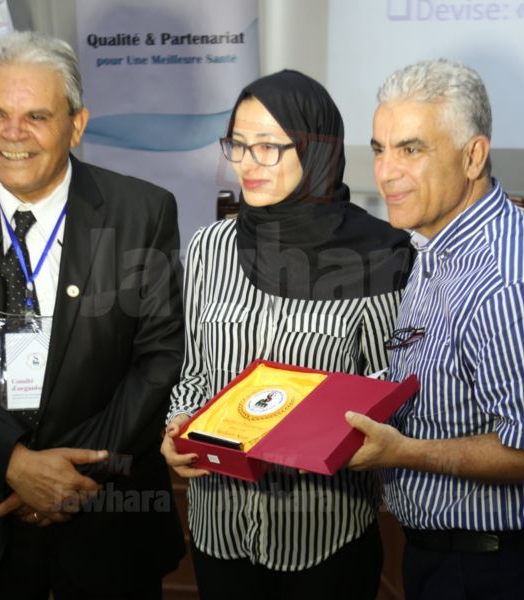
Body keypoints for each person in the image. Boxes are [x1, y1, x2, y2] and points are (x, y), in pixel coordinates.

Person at [0, 31, 185, 600]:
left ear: (77, 124)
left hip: (107, 517)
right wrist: (15, 463)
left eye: (36, 117)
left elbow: (159, 360)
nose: (12, 134)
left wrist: (70, 476)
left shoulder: (142, 212)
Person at [159, 70, 413, 599]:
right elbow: (193, 372)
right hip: (220, 528)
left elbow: (390, 388)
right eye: (237, 145)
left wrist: (329, 435)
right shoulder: (209, 248)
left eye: (268, 147)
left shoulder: (377, 255)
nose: (247, 164)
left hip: (324, 535)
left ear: (315, 152)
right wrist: (177, 425)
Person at [346, 59, 524, 599]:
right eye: (380, 150)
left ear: (473, 156)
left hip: (497, 572)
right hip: (447, 561)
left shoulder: (509, 281)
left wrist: (402, 452)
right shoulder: (437, 246)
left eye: (411, 150)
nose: (385, 173)